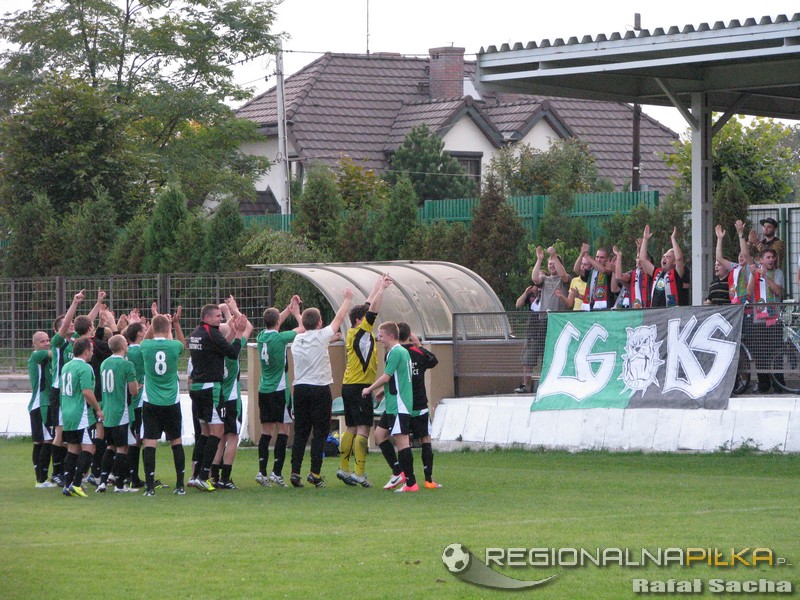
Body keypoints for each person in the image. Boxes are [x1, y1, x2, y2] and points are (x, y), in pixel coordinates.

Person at [289, 288, 353, 488]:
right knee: (320, 432)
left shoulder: (297, 339)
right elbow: (339, 317)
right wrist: (347, 299)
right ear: (319, 323)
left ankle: (294, 471)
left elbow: (306, 326)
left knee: (300, 432)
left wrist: (297, 311)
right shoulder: (322, 335)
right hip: (319, 389)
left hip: (299, 389)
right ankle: (315, 473)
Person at [337, 274, 392, 488]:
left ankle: (344, 468)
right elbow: (373, 310)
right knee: (363, 429)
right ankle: (359, 473)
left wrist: (377, 286)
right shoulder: (363, 330)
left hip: (348, 385)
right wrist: (383, 290)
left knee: (351, 427)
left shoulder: (352, 331)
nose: (373, 321)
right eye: (368, 318)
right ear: (361, 320)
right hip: (361, 387)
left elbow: (368, 307)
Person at [187, 303, 249, 492]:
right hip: (211, 388)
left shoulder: (196, 333)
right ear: (207, 317)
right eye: (217, 317)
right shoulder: (211, 334)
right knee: (218, 431)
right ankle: (205, 476)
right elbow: (232, 352)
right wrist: (238, 333)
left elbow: (220, 347)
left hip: (196, 387)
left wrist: (231, 333)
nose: (220, 319)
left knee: (205, 432)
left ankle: (196, 474)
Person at [361, 322, 418, 493]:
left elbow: (387, 377)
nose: (379, 339)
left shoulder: (395, 352)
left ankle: (410, 482)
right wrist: (383, 393)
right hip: (394, 403)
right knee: (379, 435)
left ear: (391, 336)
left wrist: (369, 389)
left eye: (381, 336)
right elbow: (397, 378)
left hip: (399, 405)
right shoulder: (402, 351)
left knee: (402, 442)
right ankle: (397, 471)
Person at [255, 295, 303, 488]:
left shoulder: (260, 337)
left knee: (266, 432)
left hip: (263, 389)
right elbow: (304, 328)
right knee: (284, 429)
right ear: (277, 322)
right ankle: (276, 472)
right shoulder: (282, 338)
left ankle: (261, 472)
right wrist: (297, 313)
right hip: (279, 390)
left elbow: (274, 321)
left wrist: (288, 308)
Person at [141, 310, 187, 496]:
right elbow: (183, 345)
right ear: (168, 328)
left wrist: (155, 323)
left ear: (152, 327)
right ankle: (180, 485)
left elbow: (145, 339)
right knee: (176, 441)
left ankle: (150, 487)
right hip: (171, 400)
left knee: (150, 442)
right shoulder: (174, 346)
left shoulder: (145, 345)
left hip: (151, 400)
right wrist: (175, 323)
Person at [210, 298, 254, 490]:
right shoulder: (233, 351)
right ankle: (226, 478)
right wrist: (233, 310)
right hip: (232, 398)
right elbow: (248, 328)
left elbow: (228, 333)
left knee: (219, 438)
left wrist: (228, 316)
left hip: (218, 397)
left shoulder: (213, 350)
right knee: (232, 438)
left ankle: (214, 476)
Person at [47, 290, 85, 486]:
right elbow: (67, 325)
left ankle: (68, 472)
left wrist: (97, 304)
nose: (71, 324)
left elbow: (86, 326)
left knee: (69, 433)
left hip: (71, 393)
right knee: (60, 433)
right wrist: (75, 303)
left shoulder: (74, 343)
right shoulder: (58, 343)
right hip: (59, 392)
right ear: (58, 330)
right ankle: (57, 472)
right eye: (66, 324)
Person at [59, 338, 104, 498]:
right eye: (91, 350)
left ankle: (67, 485)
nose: (92, 352)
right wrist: (98, 409)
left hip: (67, 413)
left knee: (73, 449)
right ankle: (77, 484)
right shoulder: (85, 368)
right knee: (89, 448)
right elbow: (86, 392)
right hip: (81, 414)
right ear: (86, 351)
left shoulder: (66, 366)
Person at [398, 322, 440, 489]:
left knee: (403, 442)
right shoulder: (417, 353)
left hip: (403, 404)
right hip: (420, 402)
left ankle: (408, 479)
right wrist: (419, 345)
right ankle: (428, 479)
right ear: (409, 335)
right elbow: (433, 360)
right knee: (425, 440)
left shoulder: (396, 354)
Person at [97, 334, 139, 493]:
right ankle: (120, 485)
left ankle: (102, 482)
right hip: (121, 411)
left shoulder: (104, 363)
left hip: (107, 410)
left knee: (110, 446)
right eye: (126, 344)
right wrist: (136, 385)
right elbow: (133, 391)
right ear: (123, 346)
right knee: (122, 448)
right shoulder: (127, 365)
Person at [746, 247, 784, 393]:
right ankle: (763, 384)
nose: (771, 260)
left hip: (774, 320)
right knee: (760, 354)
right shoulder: (754, 273)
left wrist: (766, 276)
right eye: (768, 257)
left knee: (776, 353)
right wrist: (752, 275)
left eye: (772, 257)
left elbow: (778, 291)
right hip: (759, 320)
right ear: (761, 260)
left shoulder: (778, 273)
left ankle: (779, 385)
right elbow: (749, 293)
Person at [122, 319, 147, 490]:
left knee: (132, 439)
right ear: (138, 333)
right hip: (138, 400)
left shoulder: (125, 351)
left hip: (128, 401)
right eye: (144, 329)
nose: (146, 331)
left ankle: (128, 475)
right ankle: (133, 477)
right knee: (138, 441)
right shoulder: (141, 351)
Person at [28, 331, 54, 487]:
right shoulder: (37, 356)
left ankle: (40, 478)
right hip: (41, 404)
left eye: (48, 340)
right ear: (35, 344)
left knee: (39, 441)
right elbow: (55, 353)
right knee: (47, 440)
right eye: (42, 341)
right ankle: (42, 479)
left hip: (39, 404)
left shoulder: (44, 358)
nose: (46, 343)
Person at [639, 225, 686, 307]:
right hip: (657, 314)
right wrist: (645, 239)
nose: (664, 259)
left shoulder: (677, 273)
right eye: (663, 257)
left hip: (671, 313)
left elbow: (679, 258)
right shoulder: (657, 272)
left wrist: (673, 239)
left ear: (674, 262)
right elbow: (642, 259)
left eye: (668, 257)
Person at [514, 281, 540, 394]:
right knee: (527, 359)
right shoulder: (530, 295)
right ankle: (525, 385)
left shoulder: (547, 293)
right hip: (532, 332)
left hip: (545, 330)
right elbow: (518, 304)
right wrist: (526, 293)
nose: (536, 287)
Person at [715, 222, 750, 304]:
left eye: (743, 255)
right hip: (736, 305)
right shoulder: (735, 267)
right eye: (739, 255)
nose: (741, 257)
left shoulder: (751, 267)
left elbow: (745, 253)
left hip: (749, 305)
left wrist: (740, 234)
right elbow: (719, 258)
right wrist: (719, 239)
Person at [573, 242, 614, 311]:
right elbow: (576, 270)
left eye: (602, 257)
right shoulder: (592, 272)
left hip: (606, 308)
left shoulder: (610, 270)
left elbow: (603, 270)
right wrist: (582, 254)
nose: (598, 259)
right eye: (597, 257)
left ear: (608, 259)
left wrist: (588, 257)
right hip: (592, 307)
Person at [612, 241, 651, 309]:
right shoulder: (633, 274)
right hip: (634, 311)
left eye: (640, 258)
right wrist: (619, 256)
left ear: (649, 260)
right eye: (637, 258)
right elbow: (619, 276)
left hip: (649, 311)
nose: (638, 260)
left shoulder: (652, 273)